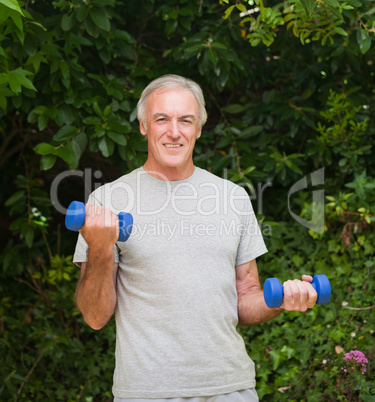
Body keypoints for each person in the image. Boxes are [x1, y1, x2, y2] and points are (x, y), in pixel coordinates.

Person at [73, 74, 318, 401]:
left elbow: (245, 300)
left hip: (231, 389)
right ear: (144, 125)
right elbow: (94, 316)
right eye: (162, 119)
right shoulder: (106, 203)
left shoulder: (233, 197)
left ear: (199, 128)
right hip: (146, 393)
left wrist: (281, 299)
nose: (174, 132)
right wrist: (100, 248)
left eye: (185, 120)